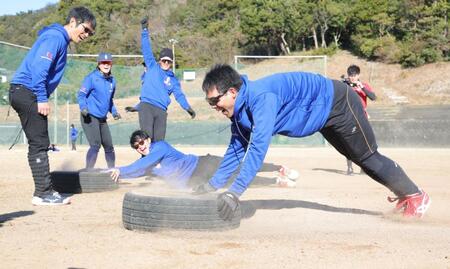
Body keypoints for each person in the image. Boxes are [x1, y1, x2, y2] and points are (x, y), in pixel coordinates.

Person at [194, 64, 430, 221]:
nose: (214, 107)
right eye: (209, 103)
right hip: (322, 114)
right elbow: (237, 149)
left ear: (232, 92)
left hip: (338, 102)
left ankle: (416, 196)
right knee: (360, 158)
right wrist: (212, 185)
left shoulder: (260, 99)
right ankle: (407, 196)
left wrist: (234, 193)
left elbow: (256, 150)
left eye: (215, 101)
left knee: (367, 156)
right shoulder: (240, 113)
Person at [9, 6, 96, 205]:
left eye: (90, 33)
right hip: (28, 91)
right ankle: (43, 193)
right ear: (73, 21)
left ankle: (44, 191)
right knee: (40, 143)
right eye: (85, 29)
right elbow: (40, 69)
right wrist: (41, 97)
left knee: (38, 142)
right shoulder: (55, 38)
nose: (86, 35)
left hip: (23, 91)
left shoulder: (59, 39)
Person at [109, 130, 298, 188]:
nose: (141, 146)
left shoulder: (159, 147)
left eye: (142, 142)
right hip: (196, 179)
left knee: (240, 167)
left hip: (202, 163)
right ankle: (275, 181)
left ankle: (278, 168)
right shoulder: (148, 164)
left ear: (148, 139)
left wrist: (121, 169)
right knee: (234, 180)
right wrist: (111, 173)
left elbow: (140, 165)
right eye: (137, 146)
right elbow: (138, 169)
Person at [138, 17, 196, 141]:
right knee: (146, 140)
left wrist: (187, 108)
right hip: (147, 106)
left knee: (159, 144)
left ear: (171, 63)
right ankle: (146, 160)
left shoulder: (173, 80)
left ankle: (157, 161)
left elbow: (179, 95)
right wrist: (144, 30)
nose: (166, 63)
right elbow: (146, 49)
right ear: (160, 60)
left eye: (168, 61)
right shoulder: (152, 66)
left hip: (161, 110)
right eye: (164, 60)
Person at [77, 52, 121, 169]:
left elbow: (109, 100)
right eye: (103, 63)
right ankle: (88, 171)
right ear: (99, 64)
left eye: (108, 63)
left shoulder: (112, 81)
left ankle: (112, 171)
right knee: (95, 145)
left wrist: (114, 112)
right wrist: (83, 108)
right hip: (89, 116)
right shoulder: (91, 78)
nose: (106, 65)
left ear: (111, 64)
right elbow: (81, 95)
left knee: (109, 146)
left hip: (102, 119)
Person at [342, 64, 377, 175]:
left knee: (364, 144)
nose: (352, 77)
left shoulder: (364, 85)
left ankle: (364, 167)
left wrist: (361, 87)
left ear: (358, 75)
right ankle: (350, 168)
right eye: (350, 75)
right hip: (349, 117)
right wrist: (346, 84)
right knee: (348, 143)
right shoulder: (345, 85)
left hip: (362, 117)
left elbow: (373, 97)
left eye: (354, 75)